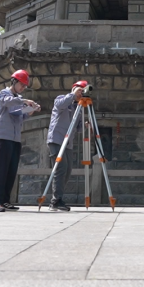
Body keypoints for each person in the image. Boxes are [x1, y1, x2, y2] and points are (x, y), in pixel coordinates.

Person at [0, 69, 40, 212]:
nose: (23, 88)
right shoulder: (4, 93)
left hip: (15, 139)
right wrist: (24, 100)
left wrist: (30, 111)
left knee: (11, 170)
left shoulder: (18, 98)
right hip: (3, 136)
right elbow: (6, 102)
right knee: (1, 170)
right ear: (14, 82)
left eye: (25, 86)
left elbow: (18, 115)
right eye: (22, 85)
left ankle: (5, 200)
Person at [46, 80, 87, 212]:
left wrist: (86, 125)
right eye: (80, 90)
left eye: (83, 91)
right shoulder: (62, 99)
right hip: (57, 139)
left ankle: (58, 197)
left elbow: (78, 128)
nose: (81, 93)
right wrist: (73, 95)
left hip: (68, 143)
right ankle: (55, 201)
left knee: (68, 170)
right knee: (61, 168)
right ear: (74, 89)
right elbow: (60, 105)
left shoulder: (78, 108)